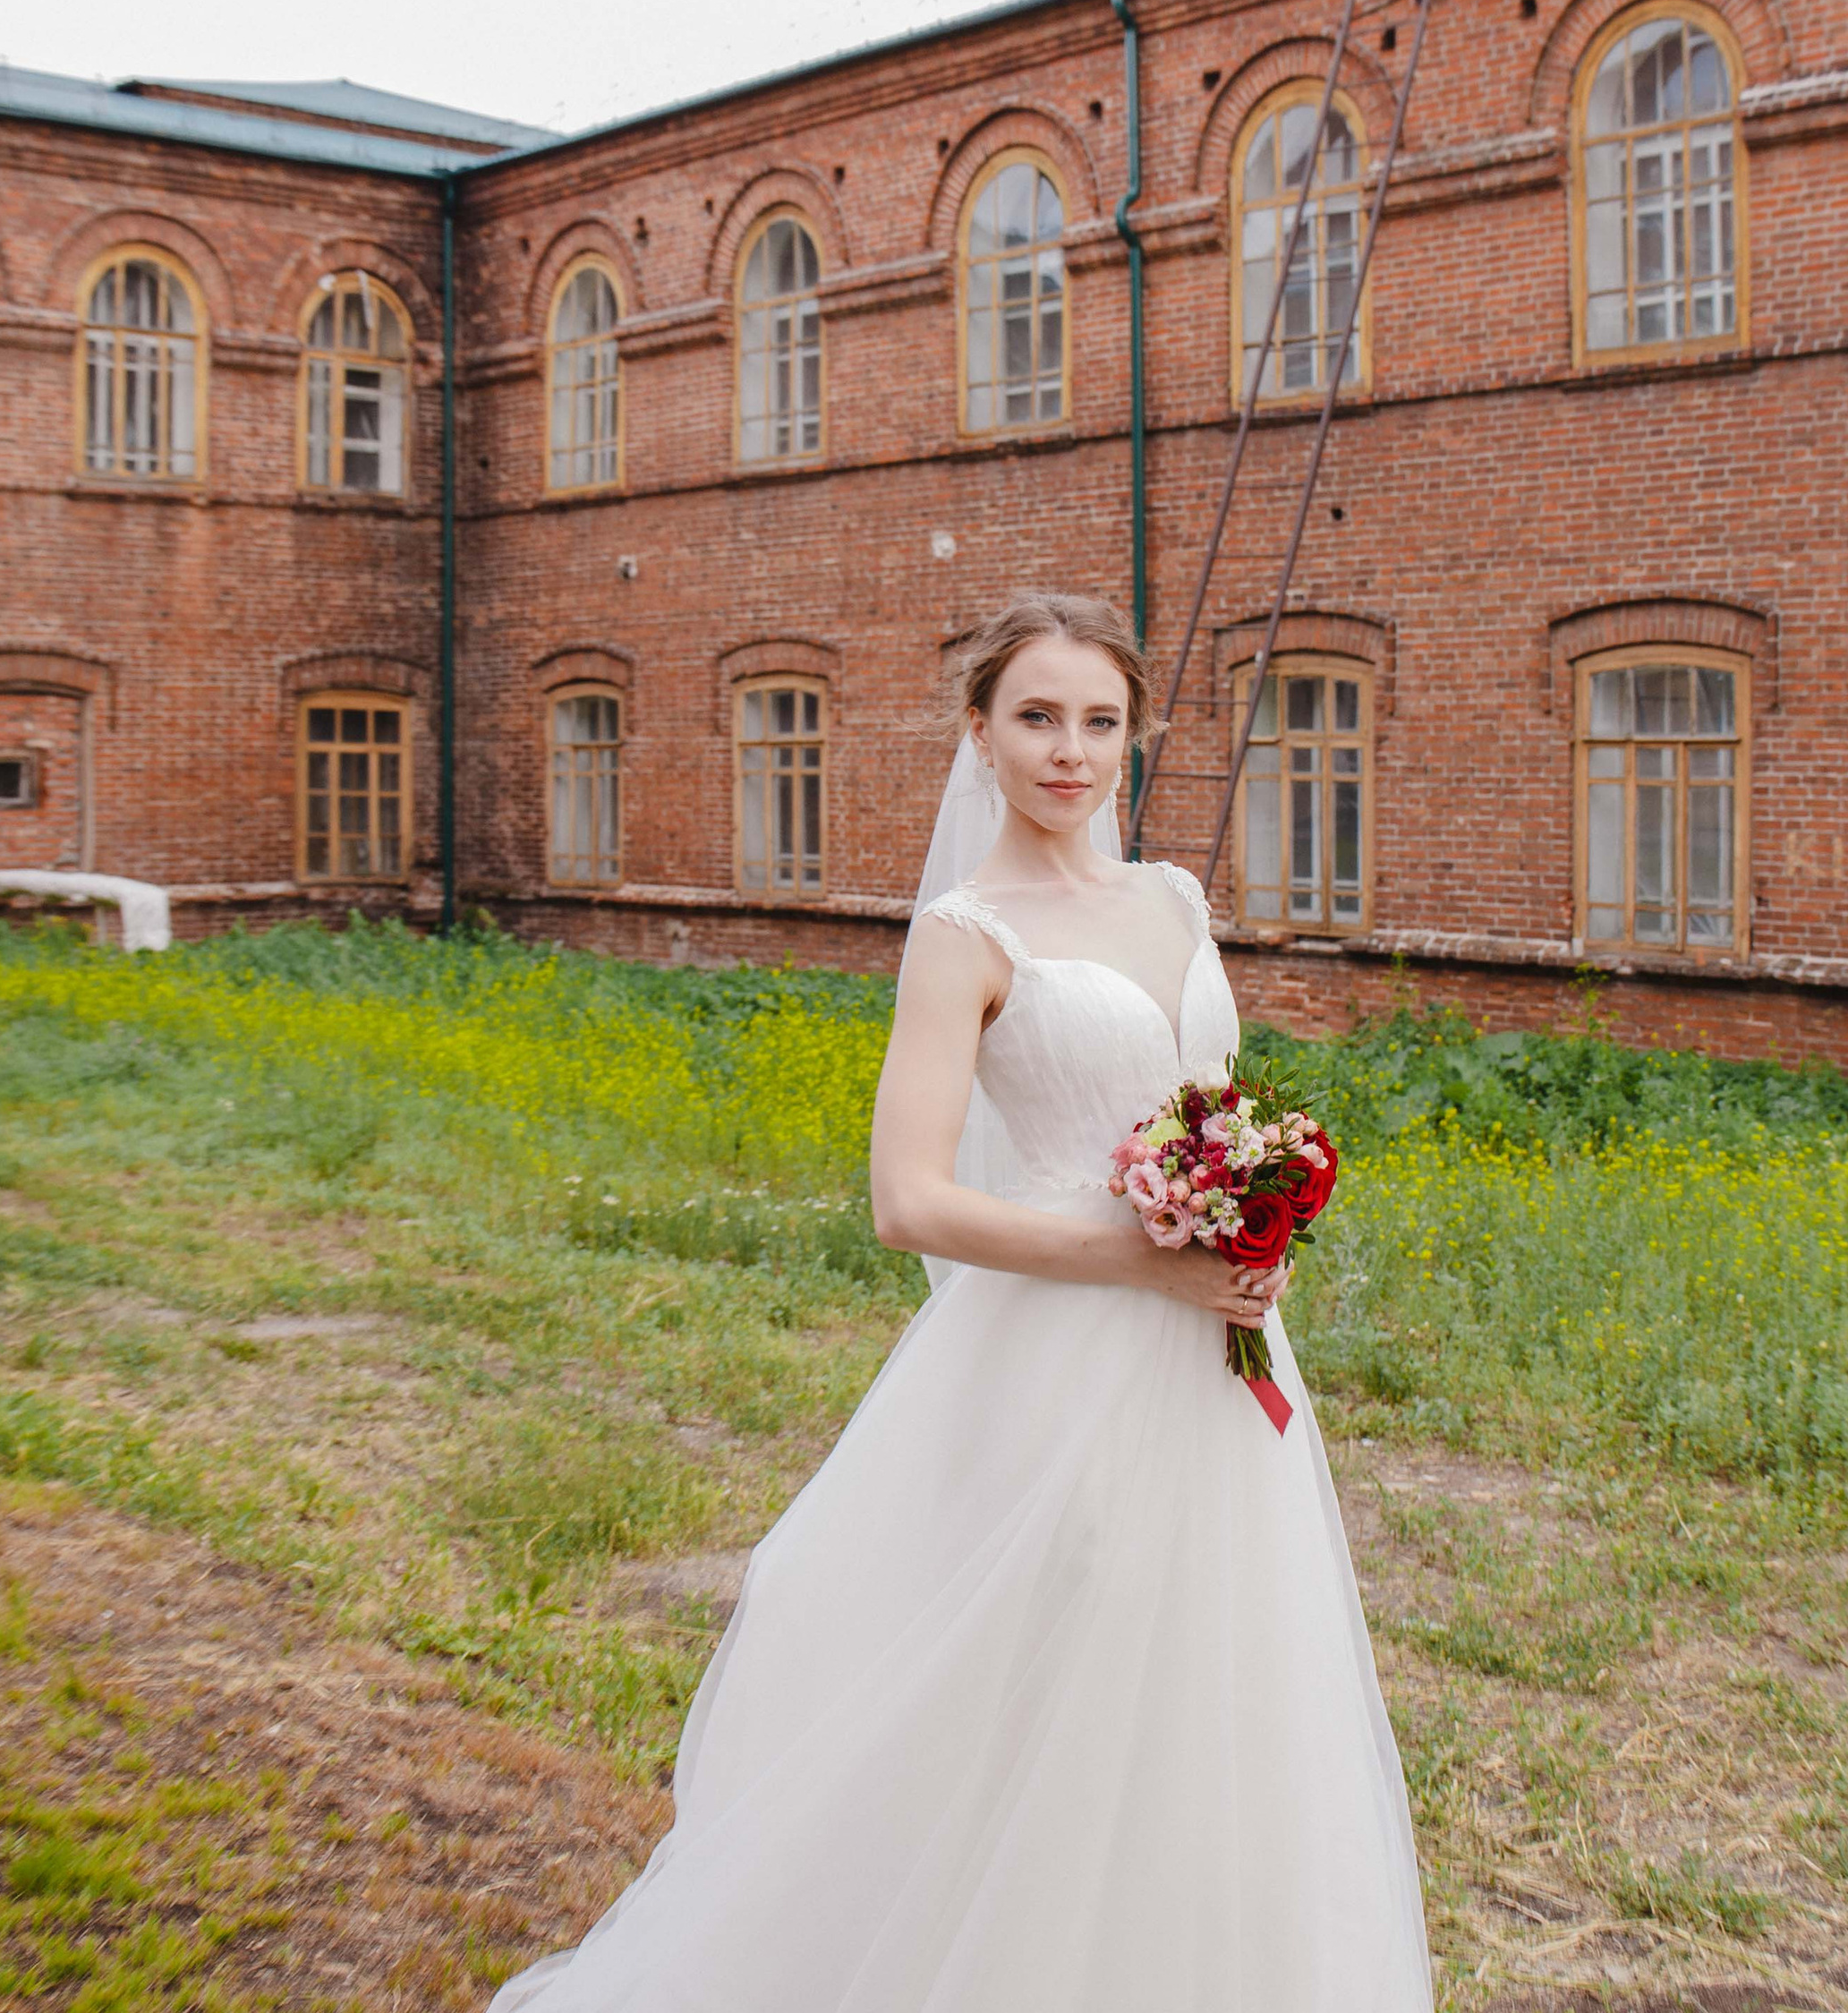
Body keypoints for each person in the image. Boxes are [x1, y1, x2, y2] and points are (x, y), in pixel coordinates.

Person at [486, 592, 1430, 2011]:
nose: (1071, 752)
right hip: (1056, 1351)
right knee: (1040, 1666)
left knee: (1213, 1676)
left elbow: (1204, 1113)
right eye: (1038, 718)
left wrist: (1255, 1228)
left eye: (1100, 722)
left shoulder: (1170, 900)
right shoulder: (964, 934)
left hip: (1218, 1350)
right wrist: (1137, 1260)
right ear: (980, 733)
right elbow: (908, 1203)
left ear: (1133, 735)